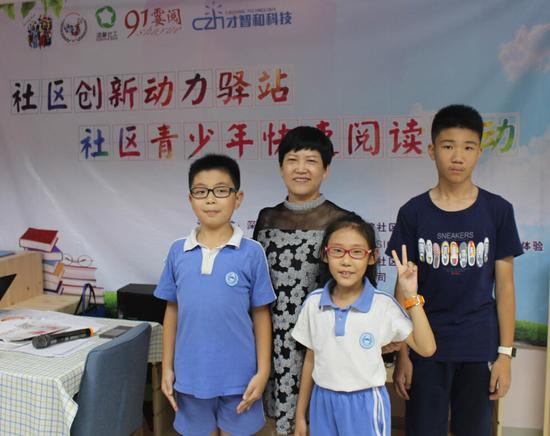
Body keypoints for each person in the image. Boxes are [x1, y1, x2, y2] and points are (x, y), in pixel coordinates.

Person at [386, 104, 523, 436]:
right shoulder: (413, 213)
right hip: (426, 346)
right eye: (448, 146)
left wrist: (505, 355)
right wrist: (403, 353)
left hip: (479, 345)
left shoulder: (498, 210)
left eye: (468, 147)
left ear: (479, 152)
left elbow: (505, 287)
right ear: (432, 151)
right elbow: (403, 288)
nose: (458, 157)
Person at [155, 153, 276, 436]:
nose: (210, 199)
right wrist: (167, 367)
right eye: (201, 191)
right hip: (191, 376)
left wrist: (263, 372)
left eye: (221, 190)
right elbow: (172, 311)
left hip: (240, 379)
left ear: (238, 198)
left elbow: (261, 315)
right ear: (190, 199)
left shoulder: (252, 252)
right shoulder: (178, 251)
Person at [293, 213, 436, 436]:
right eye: (337, 251)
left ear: (372, 257)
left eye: (357, 252)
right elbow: (310, 359)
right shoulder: (313, 303)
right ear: (324, 254)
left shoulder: (383, 305)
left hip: (365, 403)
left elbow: (427, 348)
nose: (346, 261)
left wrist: (411, 295)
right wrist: (300, 415)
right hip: (322, 401)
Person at [252, 126, 350, 435]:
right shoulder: (266, 218)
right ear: (281, 167)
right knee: (279, 422)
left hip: (321, 340)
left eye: (311, 161)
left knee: (320, 421)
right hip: (274, 339)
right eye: (292, 160)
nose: (301, 168)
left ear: (326, 169)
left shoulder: (342, 221)